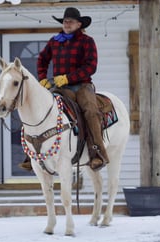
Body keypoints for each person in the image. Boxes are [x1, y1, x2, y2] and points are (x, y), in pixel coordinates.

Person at [36, 7, 109, 171]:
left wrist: (69, 78)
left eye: (70, 21)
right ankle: (33, 153)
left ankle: (97, 153)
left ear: (78, 24)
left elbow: (91, 66)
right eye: (65, 21)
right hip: (61, 87)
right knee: (43, 109)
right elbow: (42, 60)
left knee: (90, 111)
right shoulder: (54, 41)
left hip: (83, 86)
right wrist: (42, 78)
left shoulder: (87, 41)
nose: (66, 23)